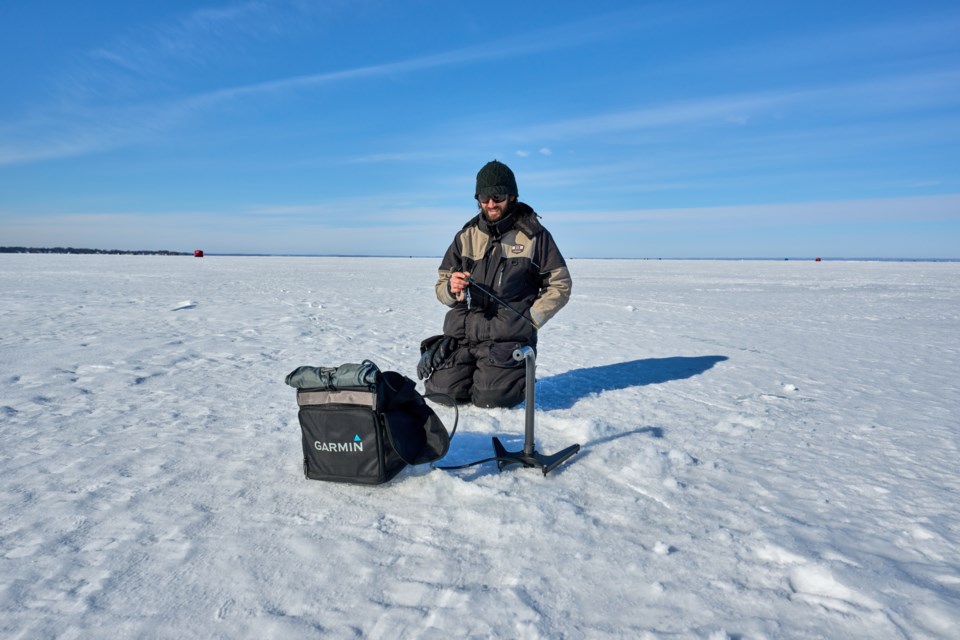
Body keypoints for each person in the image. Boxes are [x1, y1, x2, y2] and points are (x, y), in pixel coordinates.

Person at [418, 160, 572, 408]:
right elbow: (442, 283)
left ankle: (515, 373)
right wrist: (451, 288)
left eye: (497, 196)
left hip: (506, 338)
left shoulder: (535, 236)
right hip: (463, 335)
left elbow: (560, 284)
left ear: (511, 196)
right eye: (484, 197)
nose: (491, 204)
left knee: (492, 397)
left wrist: (529, 319)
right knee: (441, 393)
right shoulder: (465, 236)